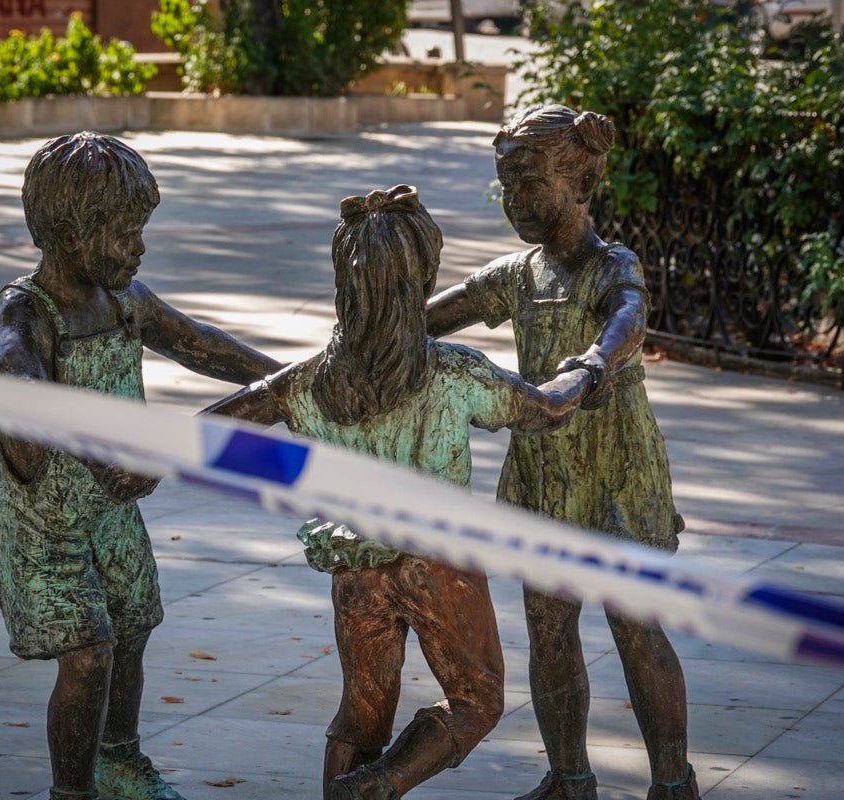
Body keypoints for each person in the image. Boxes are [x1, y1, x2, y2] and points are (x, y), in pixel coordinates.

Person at [207, 184, 594, 800]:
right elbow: (546, 410)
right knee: (477, 700)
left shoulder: (305, 382)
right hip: (439, 563)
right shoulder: (450, 370)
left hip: (355, 564)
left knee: (362, 711)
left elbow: (216, 426)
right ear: (422, 278)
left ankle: (351, 785)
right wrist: (587, 372)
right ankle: (378, 784)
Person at [0, 131, 282, 800]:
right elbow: (21, 392)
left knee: (133, 627)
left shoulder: (125, 301)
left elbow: (199, 344)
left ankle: (119, 759)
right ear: (71, 231)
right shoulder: (25, 310)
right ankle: (74, 791)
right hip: (45, 520)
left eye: (139, 229)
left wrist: (289, 377)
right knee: (88, 655)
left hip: (109, 512)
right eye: (124, 232)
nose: (138, 246)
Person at [425, 105, 699, 800]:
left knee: (635, 626)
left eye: (527, 183)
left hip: (612, 463)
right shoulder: (517, 273)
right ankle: (569, 779)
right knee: (548, 628)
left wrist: (593, 364)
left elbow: (629, 315)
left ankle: (673, 783)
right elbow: (429, 316)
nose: (514, 201)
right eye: (506, 187)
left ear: (581, 181)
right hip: (544, 466)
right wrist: (382, 305)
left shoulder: (612, 265)